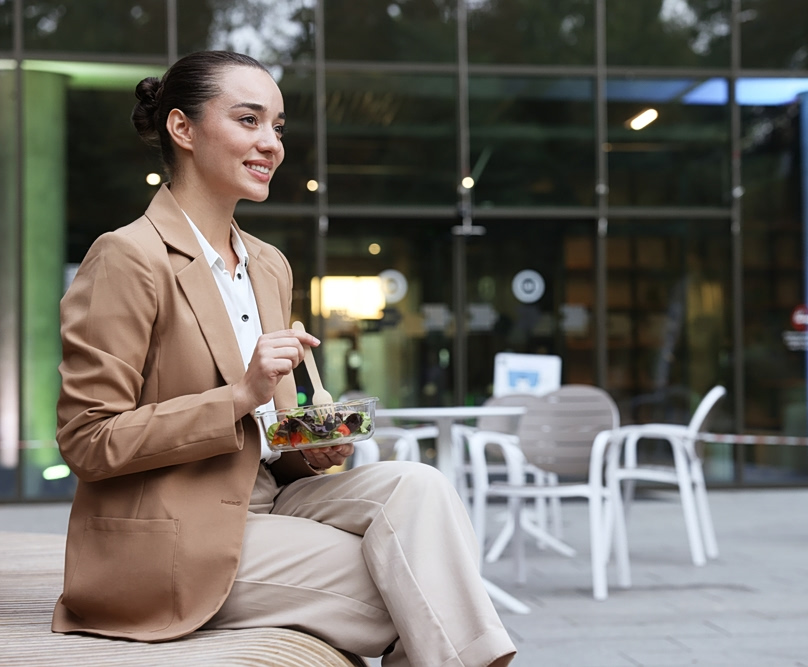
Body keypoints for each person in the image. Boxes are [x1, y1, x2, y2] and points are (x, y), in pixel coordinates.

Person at [52, 50, 517, 667]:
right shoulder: (129, 257)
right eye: (249, 120)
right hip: (172, 533)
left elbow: (267, 442)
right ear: (182, 129)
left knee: (420, 486)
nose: (270, 142)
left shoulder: (268, 265)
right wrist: (239, 396)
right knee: (418, 592)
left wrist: (310, 450)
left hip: (269, 502)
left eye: (277, 126)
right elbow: (87, 439)